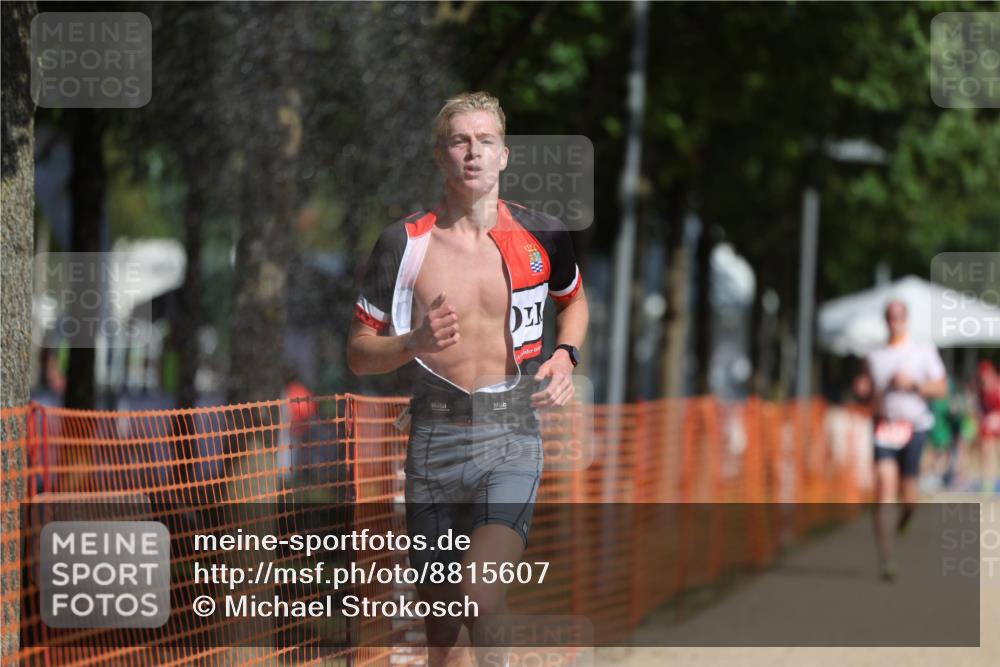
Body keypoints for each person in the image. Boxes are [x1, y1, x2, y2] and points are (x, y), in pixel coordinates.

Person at [346, 91, 589, 666]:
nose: (472, 153)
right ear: (440, 156)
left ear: (504, 155)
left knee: (480, 595)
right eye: (460, 141)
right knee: (441, 624)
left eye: (485, 141)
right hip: (434, 435)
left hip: (510, 432)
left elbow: (574, 302)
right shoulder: (403, 244)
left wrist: (565, 356)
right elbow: (357, 353)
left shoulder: (543, 234)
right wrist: (412, 343)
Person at [854, 299, 947, 581]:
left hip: (915, 428)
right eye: (890, 316)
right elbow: (866, 385)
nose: (895, 321)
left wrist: (914, 385)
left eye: (899, 316)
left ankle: (905, 518)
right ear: (885, 320)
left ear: (906, 319)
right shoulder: (875, 356)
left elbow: (941, 387)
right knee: (884, 489)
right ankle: (886, 558)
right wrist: (863, 387)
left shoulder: (922, 350)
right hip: (884, 427)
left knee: (909, 498)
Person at [976, 360, 1000, 494]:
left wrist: (996, 417)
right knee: (986, 453)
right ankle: (988, 483)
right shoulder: (982, 391)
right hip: (988, 426)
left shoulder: (998, 387)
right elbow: (981, 410)